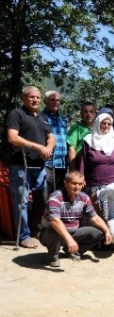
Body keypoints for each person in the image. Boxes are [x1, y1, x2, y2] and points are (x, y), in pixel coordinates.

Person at [5, 86, 55, 248]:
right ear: (23, 98)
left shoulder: (42, 117)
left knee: (41, 200)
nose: (35, 100)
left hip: (39, 166)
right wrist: (37, 147)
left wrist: (48, 147)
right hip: (21, 165)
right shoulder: (16, 114)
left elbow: (51, 137)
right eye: (32, 97)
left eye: (38, 97)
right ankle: (24, 236)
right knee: (22, 201)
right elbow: (12, 137)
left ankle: (36, 230)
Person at [40, 171, 111, 267]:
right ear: (65, 183)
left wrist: (107, 231)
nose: (77, 187)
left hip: (73, 232)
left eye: (80, 184)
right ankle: (53, 256)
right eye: (74, 183)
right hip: (51, 234)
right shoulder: (55, 197)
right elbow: (55, 221)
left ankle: (73, 251)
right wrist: (69, 239)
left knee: (100, 232)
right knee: (54, 229)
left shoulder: (84, 198)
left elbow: (95, 218)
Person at [79, 113, 114, 195]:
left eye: (109, 124)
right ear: (98, 123)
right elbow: (83, 162)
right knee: (95, 208)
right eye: (103, 123)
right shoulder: (88, 140)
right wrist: (81, 177)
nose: (106, 126)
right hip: (93, 185)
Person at [42, 90, 68, 193]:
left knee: (58, 197)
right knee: (44, 197)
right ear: (45, 101)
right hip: (47, 164)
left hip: (62, 164)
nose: (55, 102)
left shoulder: (63, 119)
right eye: (52, 100)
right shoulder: (41, 118)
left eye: (58, 100)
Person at [67, 101, 96, 169]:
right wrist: (74, 169)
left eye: (91, 111)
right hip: (81, 164)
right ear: (81, 114)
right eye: (85, 112)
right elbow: (71, 149)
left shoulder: (100, 128)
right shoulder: (76, 128)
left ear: (95, 114)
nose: (88, 114)